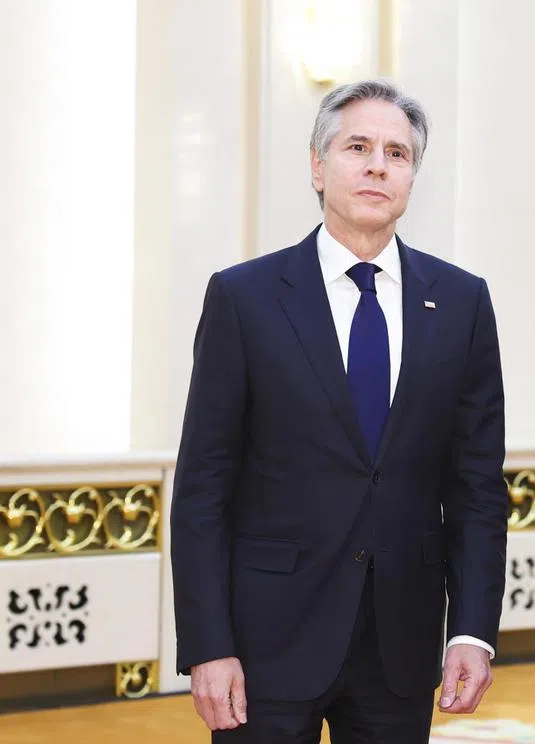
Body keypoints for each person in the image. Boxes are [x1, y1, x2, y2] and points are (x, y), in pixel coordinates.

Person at [171, 79, 508, 743]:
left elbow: (475, 491)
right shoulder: (245, 298)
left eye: (398, 153)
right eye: (358, 147)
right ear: (318, 166)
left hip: (401, 649)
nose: (378, 165)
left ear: (413, 175)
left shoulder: (463, 303)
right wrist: (208, 645)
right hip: (265, 645)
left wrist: (471, 631)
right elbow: (203, 488)